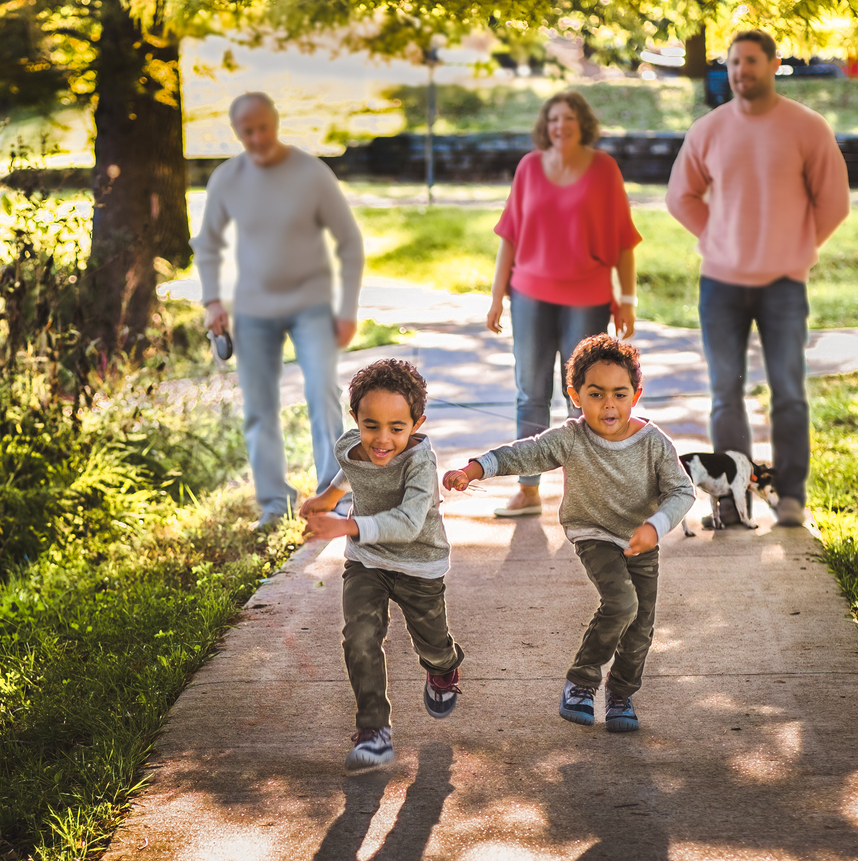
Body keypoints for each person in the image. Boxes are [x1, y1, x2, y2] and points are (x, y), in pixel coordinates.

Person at [443, 335, 693, 732]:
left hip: (641, 538)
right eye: (596, 394)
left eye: (619, 394)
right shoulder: (571, 437)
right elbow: (526, 452)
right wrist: (475, 468)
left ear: (636, 395)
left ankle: (621, 693)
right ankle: (581, 681)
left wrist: (655, 525)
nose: (608, 404)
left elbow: (682, 490)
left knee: (642, 623)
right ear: (575, 395)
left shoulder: (653, 443)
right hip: (593, 533)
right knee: (623, 603)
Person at [665, 30, 850, 528]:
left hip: (783, 285)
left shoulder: (806, 128)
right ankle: (730, 500)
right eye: (733, 63)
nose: (741, 71)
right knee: (726, 392)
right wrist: (717, 238)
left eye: (750, 61)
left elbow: (833, 201)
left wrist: (799, 251)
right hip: (720, 284)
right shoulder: (709, 129)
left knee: (788, 392)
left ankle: (790, 496)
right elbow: (681, 196)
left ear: (774, 64)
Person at [190, 91, 364, 530]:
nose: (256, 137)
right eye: (246, 131)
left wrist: (346, 309)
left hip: (312, 305)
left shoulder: (310, 172)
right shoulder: (226, 179)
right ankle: (273, 503)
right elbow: (208, 244)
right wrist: (212, 299)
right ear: (236, 132)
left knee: (323, 394)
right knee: (259, 406)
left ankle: (334, 496)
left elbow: (349, 241)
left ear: (276, 122)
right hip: (252, 309)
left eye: (262, 127)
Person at [301, 358, 464, 770]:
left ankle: (444, 667)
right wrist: (327, 497)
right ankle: (374, 729)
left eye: (397, 428)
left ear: (417, 423)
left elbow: (409, 524)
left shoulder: (420, 463)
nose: (382, 440)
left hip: (419, 564)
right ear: (355, 418)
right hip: (367, 562)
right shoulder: (350, 443)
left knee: (432, 644)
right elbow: (350, 467)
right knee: (360, 635)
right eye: (371, 425)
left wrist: (346, 525)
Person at [486, 90, 643, 517]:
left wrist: (626, 299)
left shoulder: (604, 170)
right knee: (529, 393)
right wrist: (497, 295)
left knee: (585, 397)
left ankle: (589, 493)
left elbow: (625, 241)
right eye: (554, 118)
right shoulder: (529, 168)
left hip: (588, 298)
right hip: (531, 296)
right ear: (545, 125)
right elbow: (509, 237)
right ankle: (529, 490)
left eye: (569, 117)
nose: (561, 125)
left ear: (583, 123)